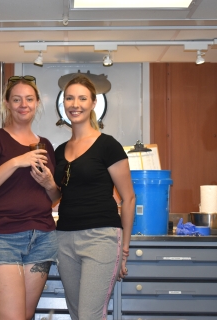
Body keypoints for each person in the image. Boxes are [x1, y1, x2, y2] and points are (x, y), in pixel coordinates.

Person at [0, 75, 61, 320]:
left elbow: (54, 197)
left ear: (37, 103)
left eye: (29, 99)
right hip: (0, 237)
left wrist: (50, 183)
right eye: (17, 99)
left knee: (25, 315)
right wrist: (16, 161)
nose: (24, 104)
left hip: (42, 238)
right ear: (7, 104)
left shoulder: (45, 145)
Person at [53, 75, 136, 320]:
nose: (74, 104)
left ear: (93, 103)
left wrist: (124, 249)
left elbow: (129, 198)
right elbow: (58, 193)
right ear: (63, 103)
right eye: (69, 98)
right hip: (64, 238)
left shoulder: (108, 145)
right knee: (77, 314)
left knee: (90, 316)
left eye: (81, 98)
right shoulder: (59, 151)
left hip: (101, 237)